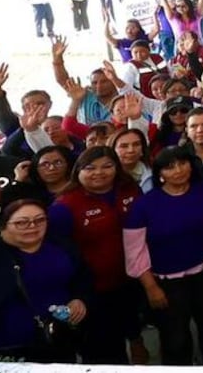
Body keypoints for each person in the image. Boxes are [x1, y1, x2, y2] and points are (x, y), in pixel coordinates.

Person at [122, 148, 203, 365]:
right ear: (160, 173)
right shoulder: (143, 205)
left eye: (183, 163)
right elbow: (135, 252)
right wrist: (151, 288)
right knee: (175, 336)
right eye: (170, 166)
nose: (178, 170)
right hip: (167, 282)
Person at [48, 146, 145, 364]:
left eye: (107, 166)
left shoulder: (129, 189)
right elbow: (57, 251)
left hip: (133, 278)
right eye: (90, 168)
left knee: (132, 320)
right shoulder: (65, 206)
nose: (99, 172)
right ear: (78, 171)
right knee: (105, 348)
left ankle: (137, 341)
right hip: (94, 288)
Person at [0, 199, 90, 362]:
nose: (32, 226)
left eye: (39, 220)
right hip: (4, 346)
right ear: (3, 225)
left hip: (58, 340)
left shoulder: (62, 246)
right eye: (21, 223)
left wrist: (80, 299)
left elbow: (82, 278)